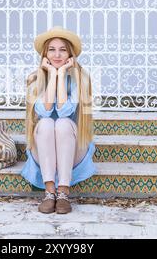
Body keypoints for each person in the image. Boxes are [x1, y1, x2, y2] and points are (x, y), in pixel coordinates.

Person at [21, 26, 96, 214]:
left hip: (74, 149)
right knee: (46, 123)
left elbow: (63, 112)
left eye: (62, 49)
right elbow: (45, 111)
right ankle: (49, 192)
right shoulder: (34, 79)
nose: (57, 54)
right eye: (52, 49)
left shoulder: (81, 79)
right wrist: (52, 76)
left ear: (70, 54)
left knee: (62, 123)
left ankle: (63, 192)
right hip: (44, 149)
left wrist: (61, 74)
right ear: (45, 54)